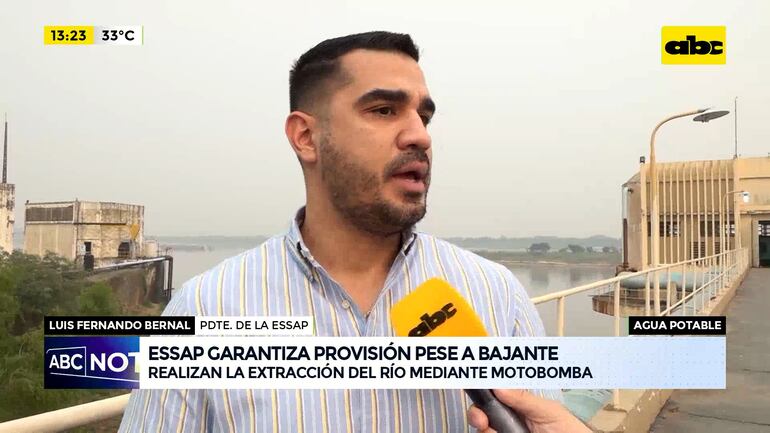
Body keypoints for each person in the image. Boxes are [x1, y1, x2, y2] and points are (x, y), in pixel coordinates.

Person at [119, 31, 588, 433]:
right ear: (306, 137)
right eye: (384, 110)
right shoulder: (205, 306)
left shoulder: (497, 295)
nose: (420, 136)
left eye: (423, 117)